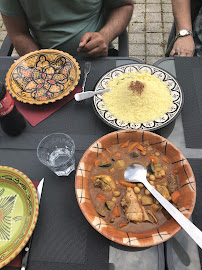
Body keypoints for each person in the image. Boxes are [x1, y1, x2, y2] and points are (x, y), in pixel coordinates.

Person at [0, 0, 134, 58]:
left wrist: (105, 36)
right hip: (43, 62)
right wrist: (41, 66)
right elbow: (18, 33)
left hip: (96, 59)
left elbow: (124, 5)